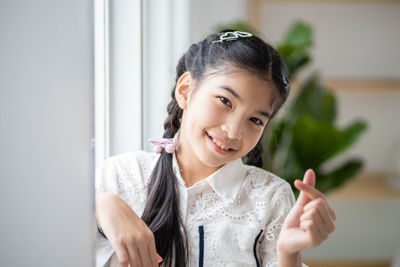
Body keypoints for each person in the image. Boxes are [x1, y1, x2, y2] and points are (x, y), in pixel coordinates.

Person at [95, 30, 336, 267]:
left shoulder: (270, 197)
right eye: (225, 101)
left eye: (255, 120)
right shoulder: (120, 176)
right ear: (185, 90)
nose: (233, 132)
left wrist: (288, 255)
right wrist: (100, 205)